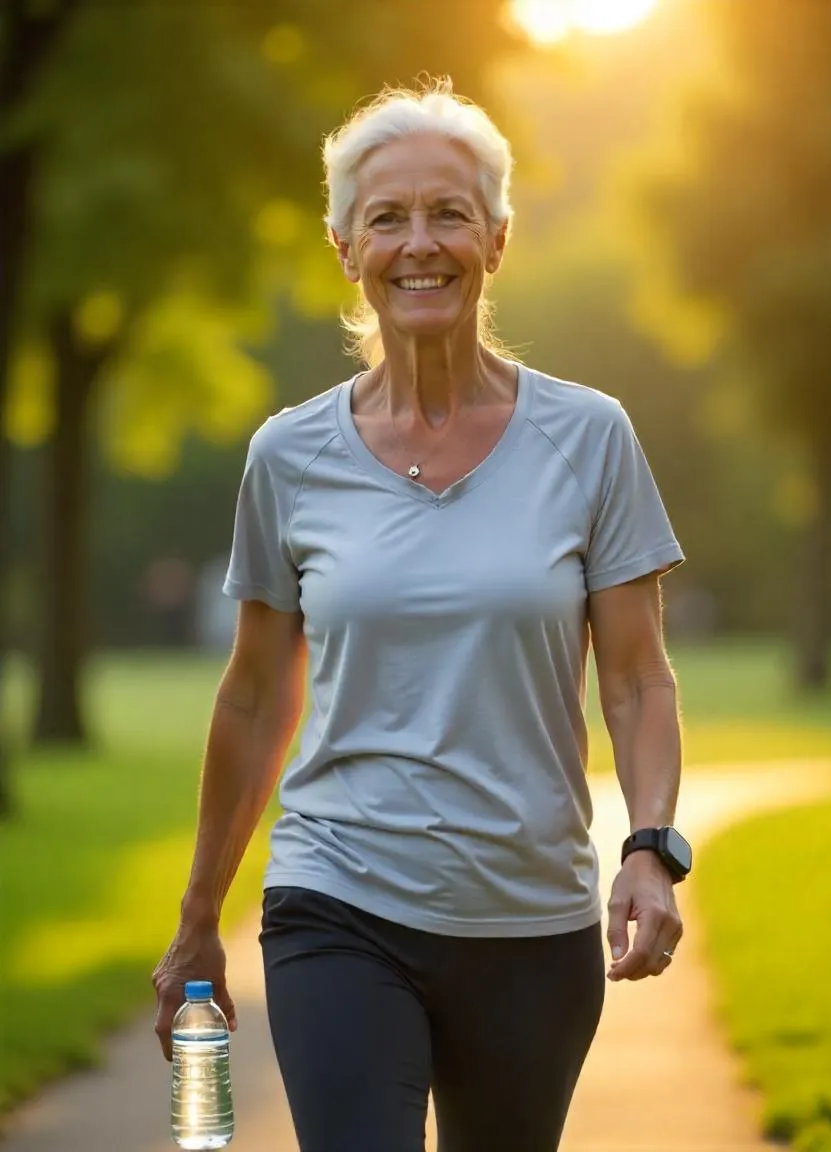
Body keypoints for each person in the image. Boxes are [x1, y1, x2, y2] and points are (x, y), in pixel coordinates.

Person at [153, 78, 690, 1152]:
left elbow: (635, 676)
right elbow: (257, 696)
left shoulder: (590, 439)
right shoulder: (288, 457)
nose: (420, 243)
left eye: (448, 212)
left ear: (496, 238)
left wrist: (649, 849)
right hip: (335, 900)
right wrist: (199, 917)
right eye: (387, 217)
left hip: (528, 916)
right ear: (345, 247)